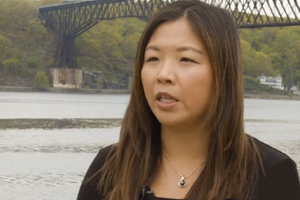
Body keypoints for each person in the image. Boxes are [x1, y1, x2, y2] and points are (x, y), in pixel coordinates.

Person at [77, 1, 300, 200]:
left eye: (186, 59)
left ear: (223, 74)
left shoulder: (271, 173)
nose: (163, 74)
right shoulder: (108, 167)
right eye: (153, 58)